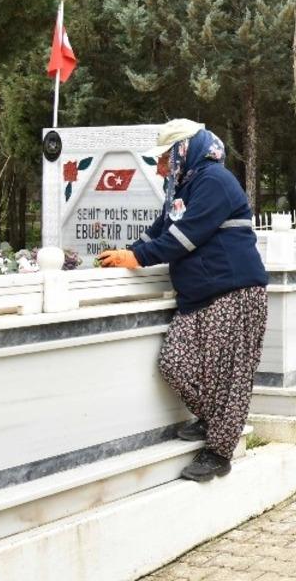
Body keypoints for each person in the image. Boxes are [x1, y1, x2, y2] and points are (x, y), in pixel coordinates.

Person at [99, 119, 268, 483]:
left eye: (164, 158)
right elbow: (162, 230)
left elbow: (186, 236)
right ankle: (214, 419)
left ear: (183, 151)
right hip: (198, 294)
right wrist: (130, 251)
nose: (160, 166)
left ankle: (219, 452)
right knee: (175, 364)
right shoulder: (183, 186)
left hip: (233, 290)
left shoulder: (214, 181)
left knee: (228, 376)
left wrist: (138, 258)